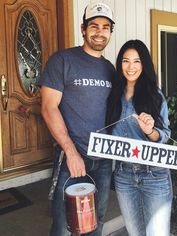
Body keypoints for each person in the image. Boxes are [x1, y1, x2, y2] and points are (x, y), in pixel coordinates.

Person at [39, 2, 115, 236]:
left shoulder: (110, 69)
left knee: (95, 221)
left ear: (111, 32)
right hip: (70, 158)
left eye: (105, 27)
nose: (99, 32)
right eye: (94, 26)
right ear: (83, 29)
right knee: (63, 225)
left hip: (102, 160)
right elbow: (49, 108)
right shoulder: (63, 60)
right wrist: (71, 153)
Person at [106, 39, 172, 236]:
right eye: (126, 61)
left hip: (155, 175)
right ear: (120, 64)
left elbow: (165, 135)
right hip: (124, 175)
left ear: (144, 64)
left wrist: (150, 130)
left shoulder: (155, 95)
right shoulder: (112, 96)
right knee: (135, 233)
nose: (131, 67)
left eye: (137, 61)